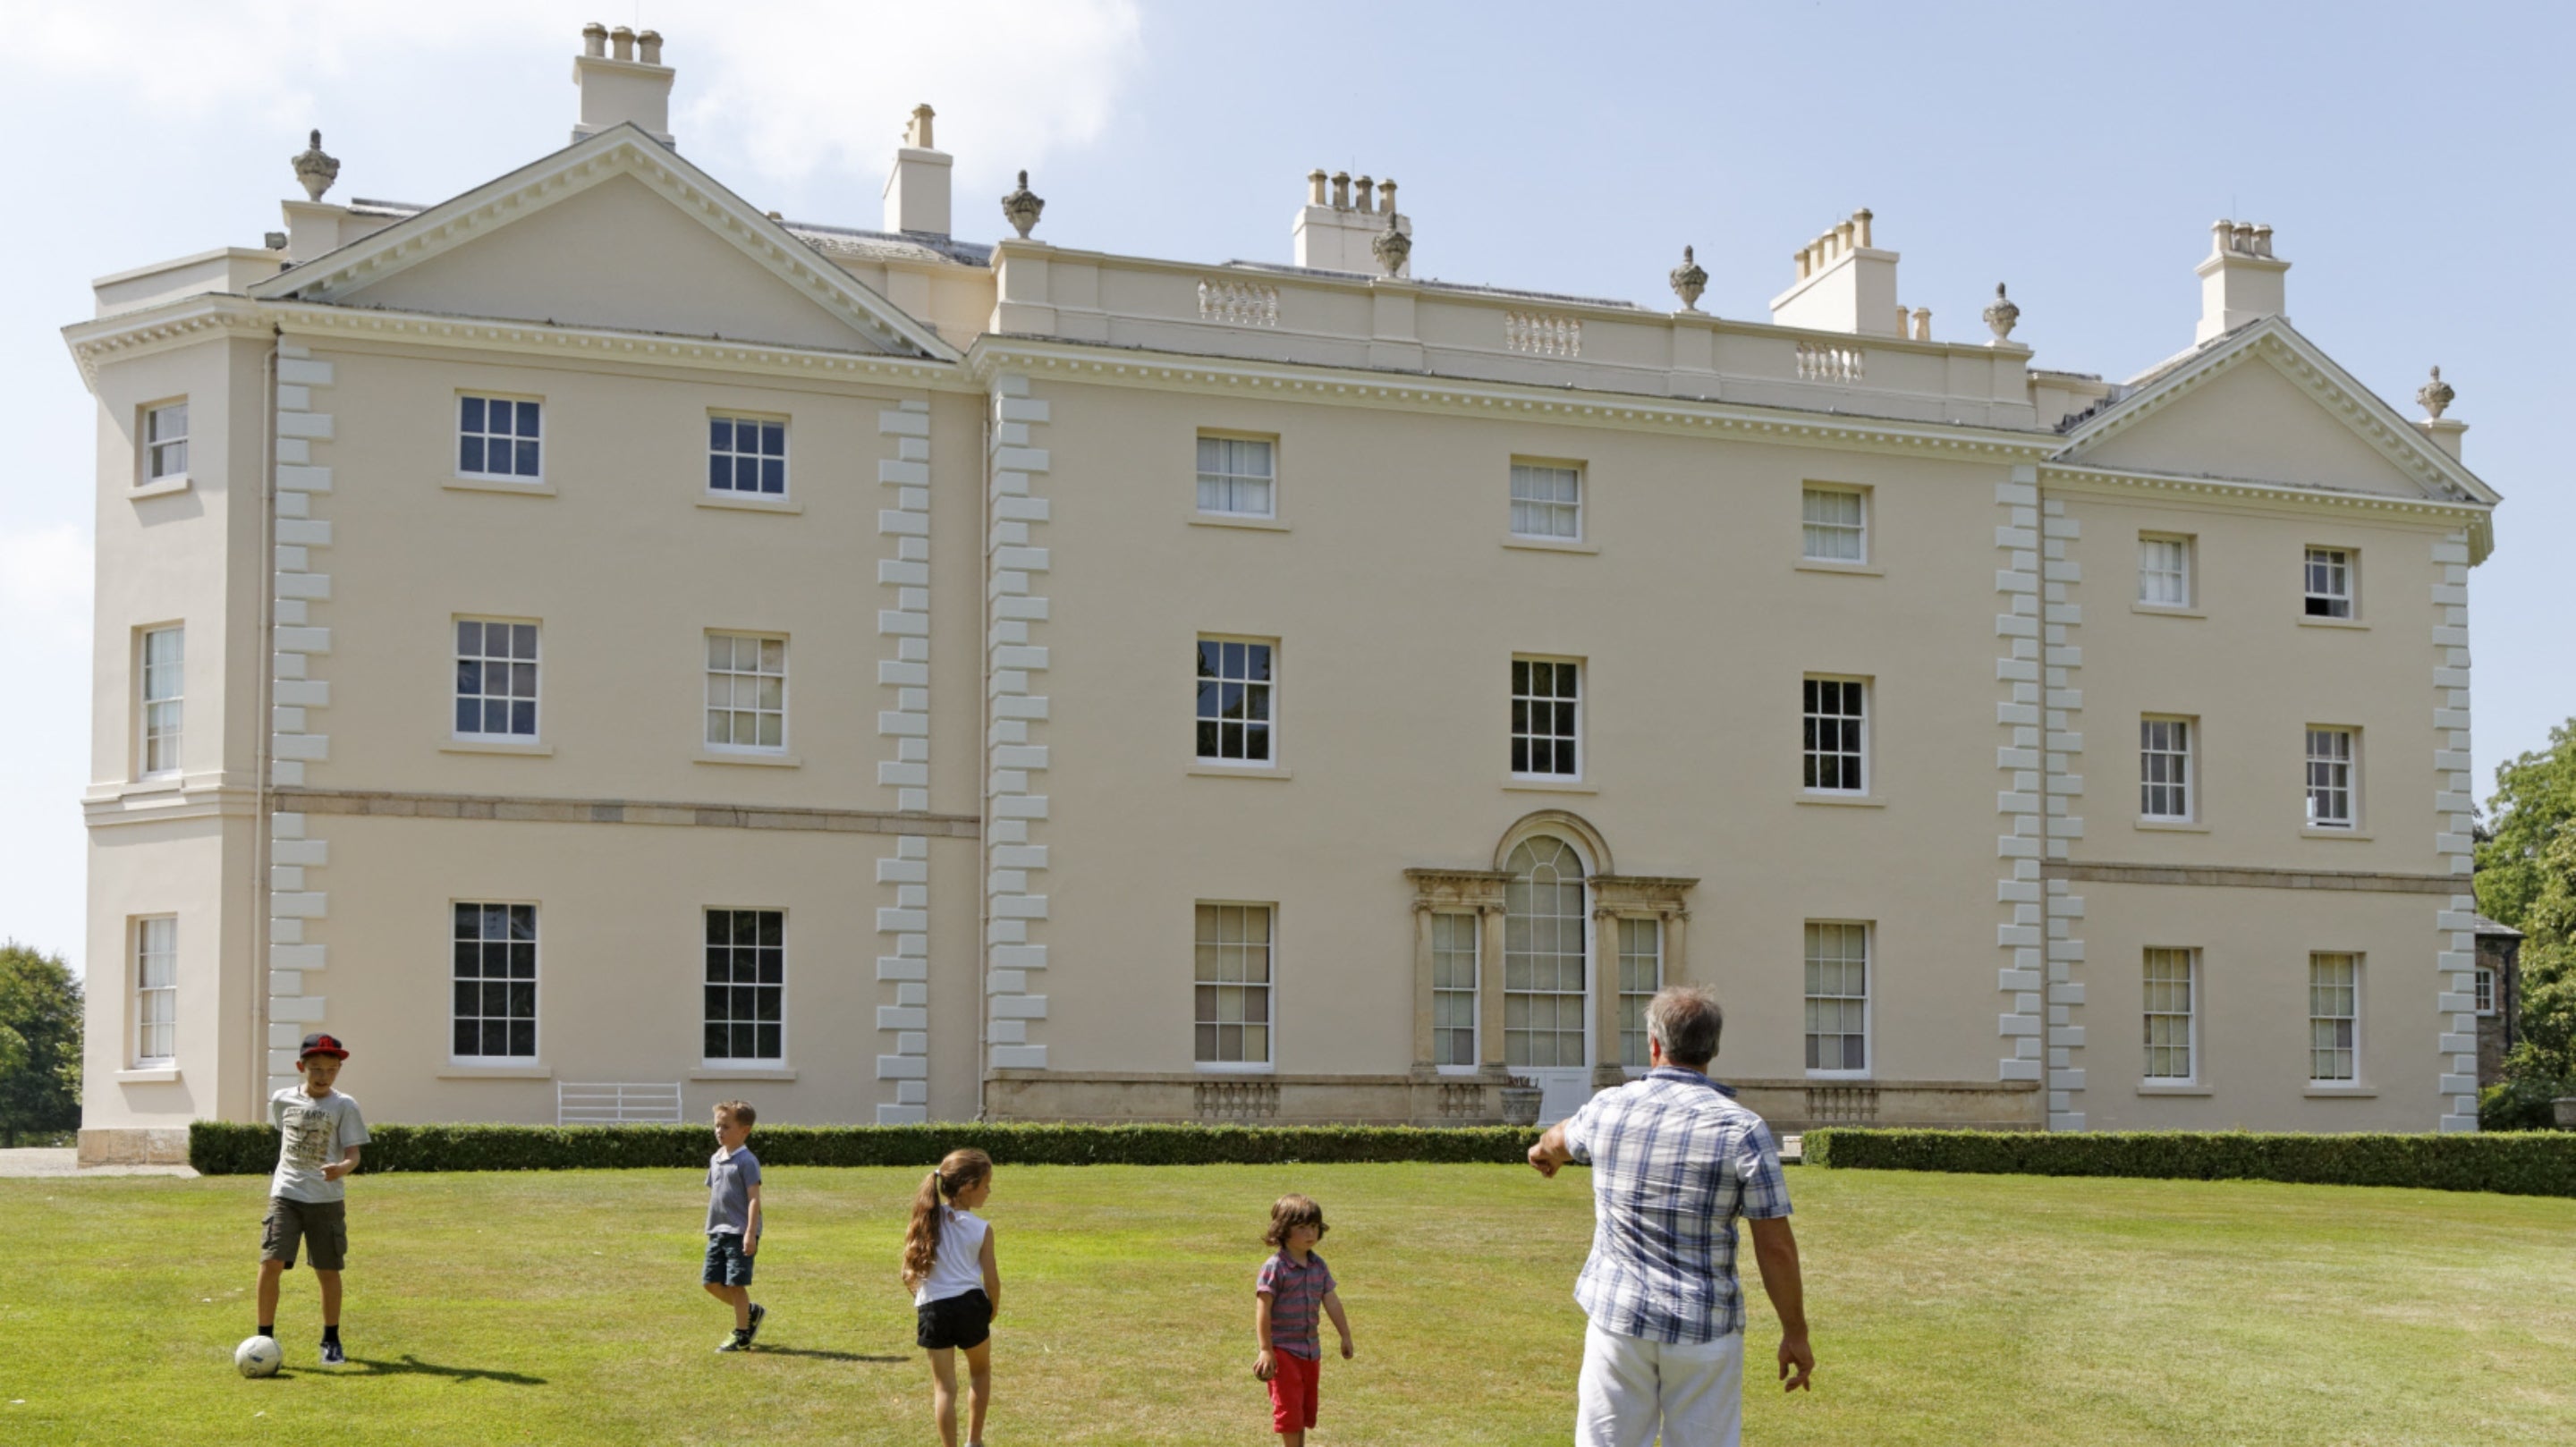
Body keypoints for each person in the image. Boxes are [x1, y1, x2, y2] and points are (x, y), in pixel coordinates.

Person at [1527, 985, 1813, 1447]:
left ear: (1655, 1045)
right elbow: (1775, 1246)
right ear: (1713, 1049)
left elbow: (1560, 1138)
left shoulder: (1608, 1107)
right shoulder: (1742, 1129)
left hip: (1619, 1319)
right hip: (1704, 1326)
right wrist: (1795, 1331)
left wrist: (1544, 1151)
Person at [255, 1032, 369, 1367]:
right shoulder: (282, 1100)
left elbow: (353, 1153)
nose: (323, 1076)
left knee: (327, 1269)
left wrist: (342, 1168)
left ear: (339, 1070)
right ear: (300, 1067)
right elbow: (287, 1136)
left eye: (331, 1070)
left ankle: (331, 1340)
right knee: (271, 1263)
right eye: (316, 1068)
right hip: (286, 1195)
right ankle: (264, 1339)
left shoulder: (344, 1105)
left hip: (326, 1200)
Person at [903, 1148, 1001, 1447]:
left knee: (944, 1388)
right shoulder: (981, 1229)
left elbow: (907, 1274)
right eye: (986, 1185)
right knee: (980, 1372)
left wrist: (925, 1298)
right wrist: (992, 1309)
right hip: (971, 1306)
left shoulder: (923, 1220)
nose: (989, 1191)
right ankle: (974, 1441)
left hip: (934, 1310)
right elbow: (992, 1281)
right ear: (968, 1186)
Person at [1251, 1193, 1354, 1446]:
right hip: (1283, 1352)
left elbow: (1331, 1300)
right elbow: (1263, 1307)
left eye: (1314, 1226)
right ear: (1283, 1230)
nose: (1310, 1233)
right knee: (1289, 1412)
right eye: (1302, 1228)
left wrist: (1345, 1335)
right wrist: (1266, 1350)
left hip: (1310, 1351)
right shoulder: (1275, 1267)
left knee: (1302, 1410)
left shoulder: (1318, 1265)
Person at [703, 1100, 767, 1352]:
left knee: (735, 1284)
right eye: (717, 1126)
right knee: (710, 1283)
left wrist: (750, 1233)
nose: (719, 1131)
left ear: (744, 1130)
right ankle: (750, 1312)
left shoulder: (747, 1161)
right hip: (717, 1231)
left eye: (726, 1127)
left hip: (739, 1233)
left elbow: (754, 1199)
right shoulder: (716, 1159)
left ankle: (741, 1335)